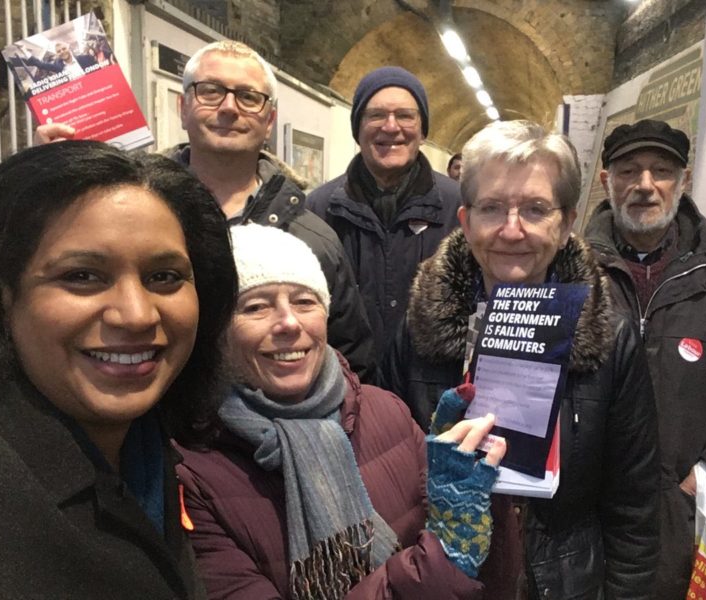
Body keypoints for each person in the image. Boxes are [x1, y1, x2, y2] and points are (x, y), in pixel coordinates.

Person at [382, 120, 660, 598]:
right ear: (466, 220)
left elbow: (633, 506)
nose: (513, 230)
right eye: (492, 209)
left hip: (564, 582)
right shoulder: (419, 327)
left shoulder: (609, 336)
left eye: (535, 209)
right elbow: (385, 468)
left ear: (567, 221)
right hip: (444, 577)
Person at [0, 141, 237, 599]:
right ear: (0, 294)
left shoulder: (145, 445)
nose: (136, 315)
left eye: (164, 277)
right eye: (83, 276)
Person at [176, 223, 508, 599]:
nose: (289, 322)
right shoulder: (190, 471)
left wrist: (483, 481)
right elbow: (443, 562)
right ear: (217, 331)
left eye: (305, 301)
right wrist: (440, 560)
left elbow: (477, 573)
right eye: (255, 306)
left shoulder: (388, 413)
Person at [34, 40, 375, 383]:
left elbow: (350, 360)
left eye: (248, 96)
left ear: (269, 120)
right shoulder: (124, 211)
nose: (229, 107)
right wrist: (55, 190)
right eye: (210, 91)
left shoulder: (312, 239)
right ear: (183, 107)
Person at [584, 119, 706, 600]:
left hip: (688, 514)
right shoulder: (567, 268)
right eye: (628, 171)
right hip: (585, 517)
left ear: (683, 181)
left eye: (661, 170)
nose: (645, 185)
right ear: (606, 181)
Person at [307, 66, 462, 362]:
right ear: (357, 129)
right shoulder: (318, 209)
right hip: (347, 386)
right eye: (376, 115)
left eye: (405, 115)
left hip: (431, 392)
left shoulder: (459, 208)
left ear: (423, 129)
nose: (391, 127)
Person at [24, 41, 96, 79]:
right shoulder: (58, 67)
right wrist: (24, 50)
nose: (62, 52)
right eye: (58, 51)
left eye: (64, 49)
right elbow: (41, 64)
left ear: (69, 49)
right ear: (57, 54)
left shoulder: (85, 58)